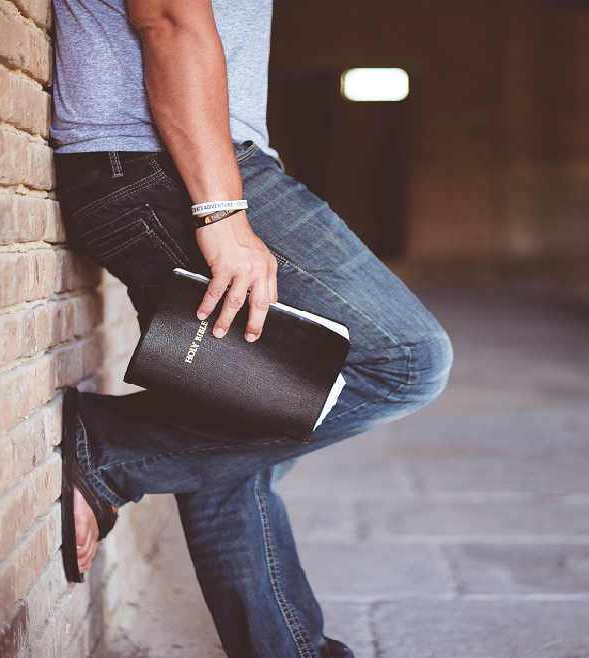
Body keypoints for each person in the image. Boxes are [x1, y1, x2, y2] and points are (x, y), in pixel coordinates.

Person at [50, 0, 453, 656]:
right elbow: (169, 18)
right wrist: (221, 214)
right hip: (164, 168)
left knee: (227, 424)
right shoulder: (199, 192)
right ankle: (110, 449)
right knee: (405, 359)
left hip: (152, 163)